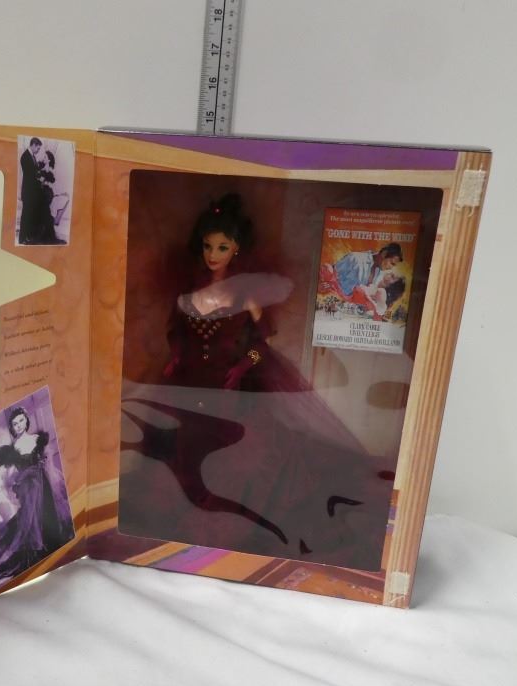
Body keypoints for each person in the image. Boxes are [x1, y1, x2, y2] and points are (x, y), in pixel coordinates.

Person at [119, 193, 395, 569]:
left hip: (234, 390)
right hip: (188, 386)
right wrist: (179, 359)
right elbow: (177, 334)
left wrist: (241, 367)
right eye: (208, 246)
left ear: (236, 250)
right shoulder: (188, 296)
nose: (213, 254)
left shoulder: (245, 297)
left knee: (244, 453)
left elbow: (260, 346)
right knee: (178, 447)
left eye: (222, 247)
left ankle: (228, 516)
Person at [0, 407, 72, 584]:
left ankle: (53, 540)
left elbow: (46, 458)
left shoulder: (36, 439)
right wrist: (18, 483)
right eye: (15, 423)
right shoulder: (13, 448)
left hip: (45, 482)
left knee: (50, 511)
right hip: (29, 488)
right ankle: (41, 548)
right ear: (12, 427)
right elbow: (9, 474)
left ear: (26, 420)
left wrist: (43, 463)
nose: (19, 425)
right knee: (33, 519)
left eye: (21, 420)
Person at [326, 243, 403, 299]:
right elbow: (330, 275)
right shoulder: (355, 258)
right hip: (335, 299)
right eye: (392, 263)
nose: (390, 268)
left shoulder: (378, 272)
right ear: (384, 254)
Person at [18, 137, 45, 244]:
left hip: (31, 193)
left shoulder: (32, 156)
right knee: (25, 216)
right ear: (33, 145)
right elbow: (30, 175)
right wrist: (39, 179)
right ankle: (22, 239)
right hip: (28, 192)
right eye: (38, 148)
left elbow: (35, 170)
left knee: (29, 216)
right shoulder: (25, 157)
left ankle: (28, 237)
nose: (38, 150)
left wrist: (42, 165)